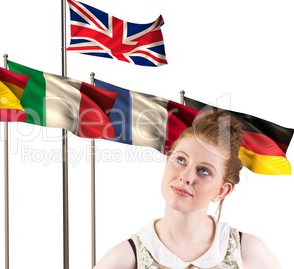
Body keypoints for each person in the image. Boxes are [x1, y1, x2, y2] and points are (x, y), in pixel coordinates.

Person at [93, 111, 281, 269]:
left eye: (203, 171)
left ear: (221, 191)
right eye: (181, 160)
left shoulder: (249, 253)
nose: (186, 177)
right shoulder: (123, 260)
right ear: (168, 160)